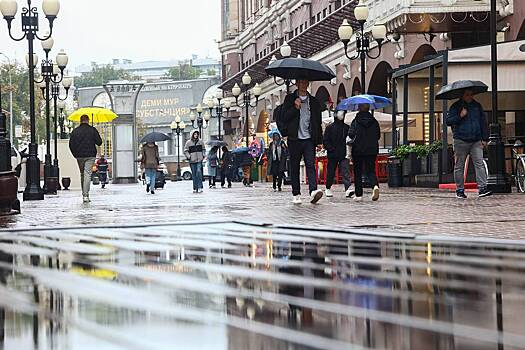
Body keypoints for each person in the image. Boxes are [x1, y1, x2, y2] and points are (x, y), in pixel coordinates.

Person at [282, 79, 324, 204]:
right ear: (297, 84)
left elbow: (317, 122)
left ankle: (313, 191)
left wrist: (319, 140)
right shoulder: (290, 99)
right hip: (294, 139)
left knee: (310, 164)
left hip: (309, 139)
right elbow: (284, 117)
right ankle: (296, 193)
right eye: (301, 82)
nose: (304, 85)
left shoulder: (314, 102)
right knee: (294, 167)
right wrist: (295, 107)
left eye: (306, 82)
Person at [446, 89, 492, 198]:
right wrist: (460, 116)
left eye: (471, 94)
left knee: (479, 164)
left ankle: (482, 188)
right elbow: (448, 121)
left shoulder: (477, 106)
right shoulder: (455, 106)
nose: (470, 96)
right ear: (462, 95)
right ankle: (460, 190)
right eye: (467, 95)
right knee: (459, 166)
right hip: (460, 140)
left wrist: (484, 138)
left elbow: (483, 122)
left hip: (476, 140)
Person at [348, 103, 380, 202]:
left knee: (358, 172)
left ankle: (358, 194)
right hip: (372, 150)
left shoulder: (356, 121)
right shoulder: (374, 121)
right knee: (371, 170)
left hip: (358, 150)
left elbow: (350, 133)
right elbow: (378, 135)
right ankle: (374, 186)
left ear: (360, 108)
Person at [69, 114, 102, 203]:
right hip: (90, 155)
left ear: (80, 120)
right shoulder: (92, 130)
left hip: (79, 156)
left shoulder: (75, 131)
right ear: (88, 120)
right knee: (87, 174)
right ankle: (86, 195)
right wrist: (95, 133)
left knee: (82, 174)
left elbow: (71, 144)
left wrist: (75, 154)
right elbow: (99, 142)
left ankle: (84, 193)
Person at [323, 109, 354, 198]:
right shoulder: (330, 127)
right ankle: (328, 187)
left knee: (345, 171)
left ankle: (348, 188)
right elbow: (325, 140)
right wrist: (330, 149)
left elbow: (350, 138)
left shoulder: (346, 127)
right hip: (333, 154)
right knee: (331, 172)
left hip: (343, 153)